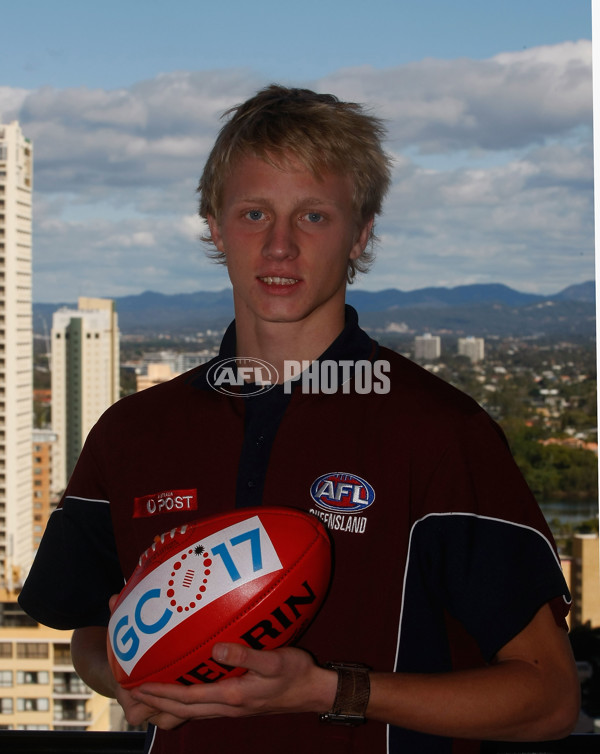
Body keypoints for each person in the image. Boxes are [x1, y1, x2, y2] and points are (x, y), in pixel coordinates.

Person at [19, 85, 580, 754]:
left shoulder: (438, 432)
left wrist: (331, 691)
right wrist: (126, 677)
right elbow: (87, 634)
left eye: (313, 216)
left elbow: (548, 697)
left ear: (361, 233)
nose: (279, 245)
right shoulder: (133, 431)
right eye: (255, 213)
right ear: (214, 225)